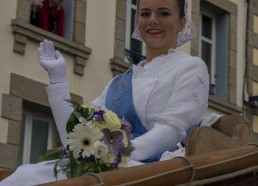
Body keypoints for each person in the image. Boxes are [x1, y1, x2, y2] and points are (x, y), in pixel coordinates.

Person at [0, 0, 209, 185]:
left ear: (182, 22)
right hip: (105, 166)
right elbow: (75, 138)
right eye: (145, 14)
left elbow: (171, 130)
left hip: (149, 172)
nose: (153, 20)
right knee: (27, 175)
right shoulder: (118, 82)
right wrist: (58, 82)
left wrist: (111, 154)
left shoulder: (190, 67)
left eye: (163, 13)